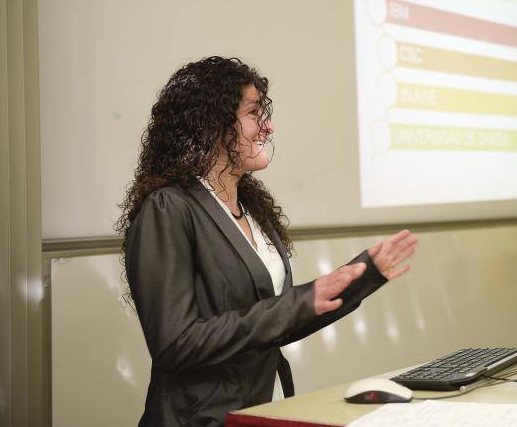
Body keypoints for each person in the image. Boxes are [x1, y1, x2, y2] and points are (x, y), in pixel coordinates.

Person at [116, 56, 417, 426]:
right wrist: (301, 301)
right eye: (255, 112)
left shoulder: (250, 209)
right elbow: (176, 344)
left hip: (259, 409)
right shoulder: (168, 208)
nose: (268, 127)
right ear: (212, 122)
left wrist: (364, 276)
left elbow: (278, 320)